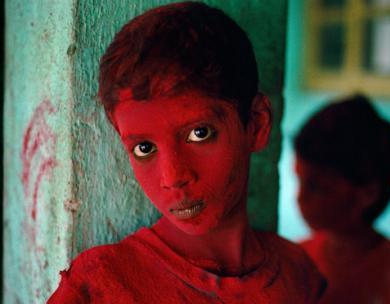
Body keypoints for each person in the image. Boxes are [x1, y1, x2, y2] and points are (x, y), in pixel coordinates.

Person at [48, 2, 325, 303]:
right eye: (144, 148)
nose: (173, 177)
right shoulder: (100, 287)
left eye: (199, 133)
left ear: (256, 125)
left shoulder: (299, 277)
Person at [294, 94, 390, 303]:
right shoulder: (295, 261)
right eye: (299, 180)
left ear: (367, 194)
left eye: (318, 188)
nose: (300, 197)